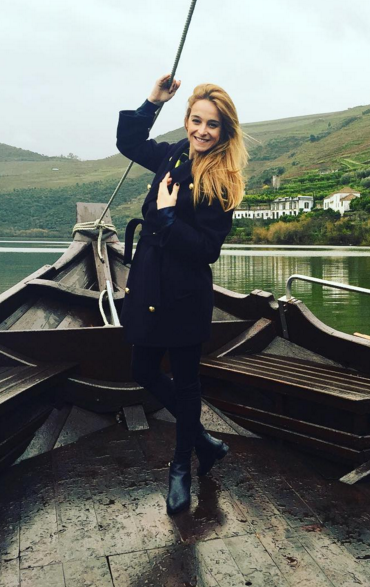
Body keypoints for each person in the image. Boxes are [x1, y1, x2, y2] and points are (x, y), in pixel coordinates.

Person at [116, 73, 247, 515]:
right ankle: (205, 441)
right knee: (142, 369)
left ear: (224, 131)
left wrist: (169, 217)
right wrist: (153, 101)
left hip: (185, 291)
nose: (201, 131)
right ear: (187, 120)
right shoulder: (173, 154)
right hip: (150, 278)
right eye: (196, 120)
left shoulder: (225, 180)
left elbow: (208, 250)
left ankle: (180, 469)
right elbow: (129, 142)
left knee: (187, 382)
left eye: (212, 124)